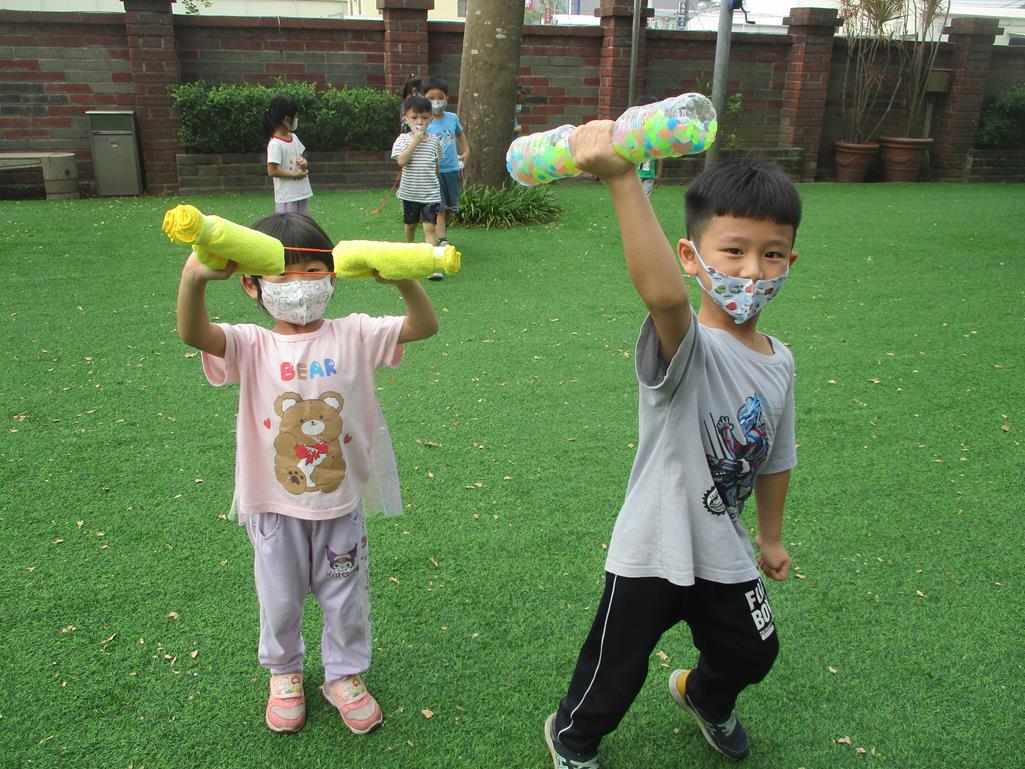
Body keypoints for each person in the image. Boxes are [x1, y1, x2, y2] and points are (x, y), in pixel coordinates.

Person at [545, 122, 801, 768]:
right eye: (733, 251)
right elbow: (662, 295)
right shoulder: (686, 345)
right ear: (692, 256)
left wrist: (770, 537)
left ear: (790, 262)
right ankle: (571, 736)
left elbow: (775, 456)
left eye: (772, 254)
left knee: (753, 650)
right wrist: (621, 178)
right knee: (615, 667)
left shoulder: (780, 361)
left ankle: (701, 694)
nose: (752, 270)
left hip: (723, 545)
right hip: (652, 546)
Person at [175, 212, 439, 736]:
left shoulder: (356, 332)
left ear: (333, 277)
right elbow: (193, 333)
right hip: (274, 507)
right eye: (283, 274)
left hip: (340, 504)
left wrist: (402, 279)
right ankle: (284, 673)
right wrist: (194, 278)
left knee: (345, 598)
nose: (299, 286)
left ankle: (343, 675)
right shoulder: (252, 343)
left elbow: (424, 326)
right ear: (251, 284)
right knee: (279, 599)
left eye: (313, 272)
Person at [391, 94, 445, 280]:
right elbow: (401, 161)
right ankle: (409, 254)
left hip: (430, 194)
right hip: (410, 193)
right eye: (414, 117)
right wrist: (415, 141)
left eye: (424, 117)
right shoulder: (402, 140)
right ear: (406, 119)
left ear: (431, 119)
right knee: (410, 225)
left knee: (430, 227)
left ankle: (431, 265)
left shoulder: (435, 140)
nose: (419, 122)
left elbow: (437, 165)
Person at [421, 76, 470, 250]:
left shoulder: (452, 118)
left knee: (450, 207)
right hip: (435, 172)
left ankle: (441, 233)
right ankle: (441, 240)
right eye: (431, 98)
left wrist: (466, 151)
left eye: (440, 98)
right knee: (440, 208)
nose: (436, 102)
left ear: (447, 98)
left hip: (453, 170)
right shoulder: (424, 122)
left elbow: (460, 135)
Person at [264, 95, 312, 216]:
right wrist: (294, 175)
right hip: (287, 198)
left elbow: (300, 157)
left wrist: (304, 163)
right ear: (286, 119)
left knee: (303, 225)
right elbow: (272, 171)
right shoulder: (275, 144)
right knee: (288, 226)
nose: (297, 119)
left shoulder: (293, 137)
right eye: (296, 117)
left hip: (301, 193)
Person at [634, 95, 664, 197]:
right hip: (634, 175)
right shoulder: (634, 130)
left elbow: (660, 154)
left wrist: (658, 174)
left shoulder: (656, 132)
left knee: (645, 200)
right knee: (634, 199)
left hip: (649, 175)